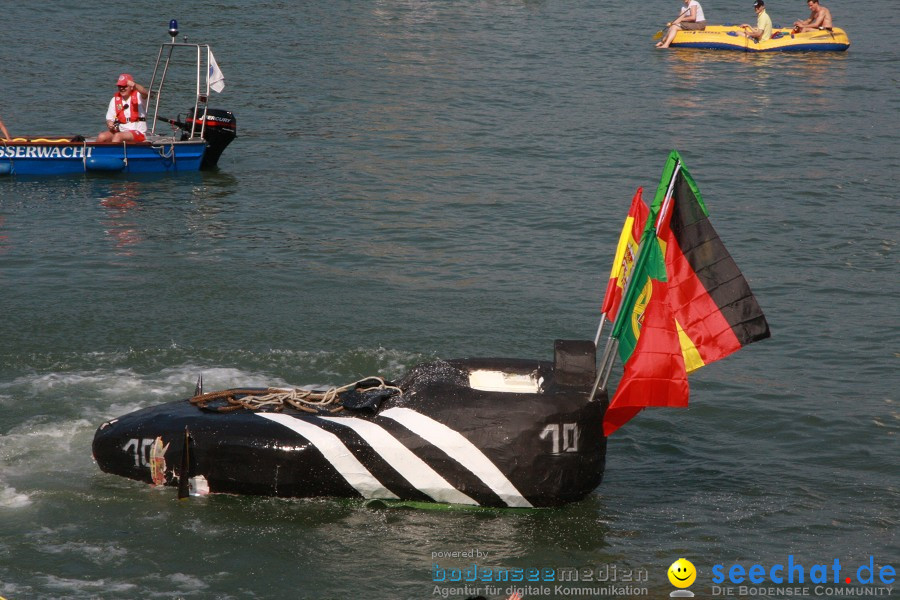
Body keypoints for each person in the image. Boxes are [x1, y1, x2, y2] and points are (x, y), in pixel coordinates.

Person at [97, 73, 149, 143]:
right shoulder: (114, 100)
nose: (122, 88)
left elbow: (145, 93)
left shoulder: (139, 96)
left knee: (118, 136)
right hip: (121, 131)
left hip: (138, 132)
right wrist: (110, 124)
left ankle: (114, 153)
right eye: (120, 86)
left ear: (131, 87)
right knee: (102, 136)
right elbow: (109, 119)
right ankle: (99, 153)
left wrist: (135, 85)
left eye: (124, 86)